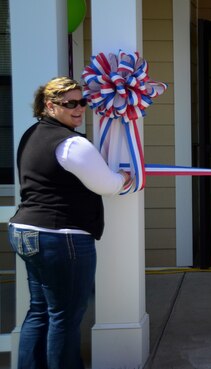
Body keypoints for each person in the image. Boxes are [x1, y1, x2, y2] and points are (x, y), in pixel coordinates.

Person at [8, 76, 132, 369]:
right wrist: (124, 178)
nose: (80, 109)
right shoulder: (71, 144)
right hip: (59, 237)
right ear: (50, 105)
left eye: (83, 102)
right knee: (64, 316)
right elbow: (107, 184)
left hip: (25, 231)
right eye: (71, 104)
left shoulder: (31, 134)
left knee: (40, 311)